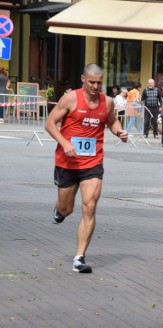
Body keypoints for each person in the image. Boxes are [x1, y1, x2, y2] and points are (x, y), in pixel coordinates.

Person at [44, 63, 129, 273]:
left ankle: (79, 257)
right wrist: (65, 143)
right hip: (67, 161)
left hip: (92, 162)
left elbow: (111, 122)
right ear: (83, 79)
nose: (95, 86)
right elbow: (49, 123)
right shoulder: (70, 98)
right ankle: (60, 209)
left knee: (90, 206)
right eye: (91, 82)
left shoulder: (107, 102)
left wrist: (119, 132)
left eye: (99, 83)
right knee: (67, 209)